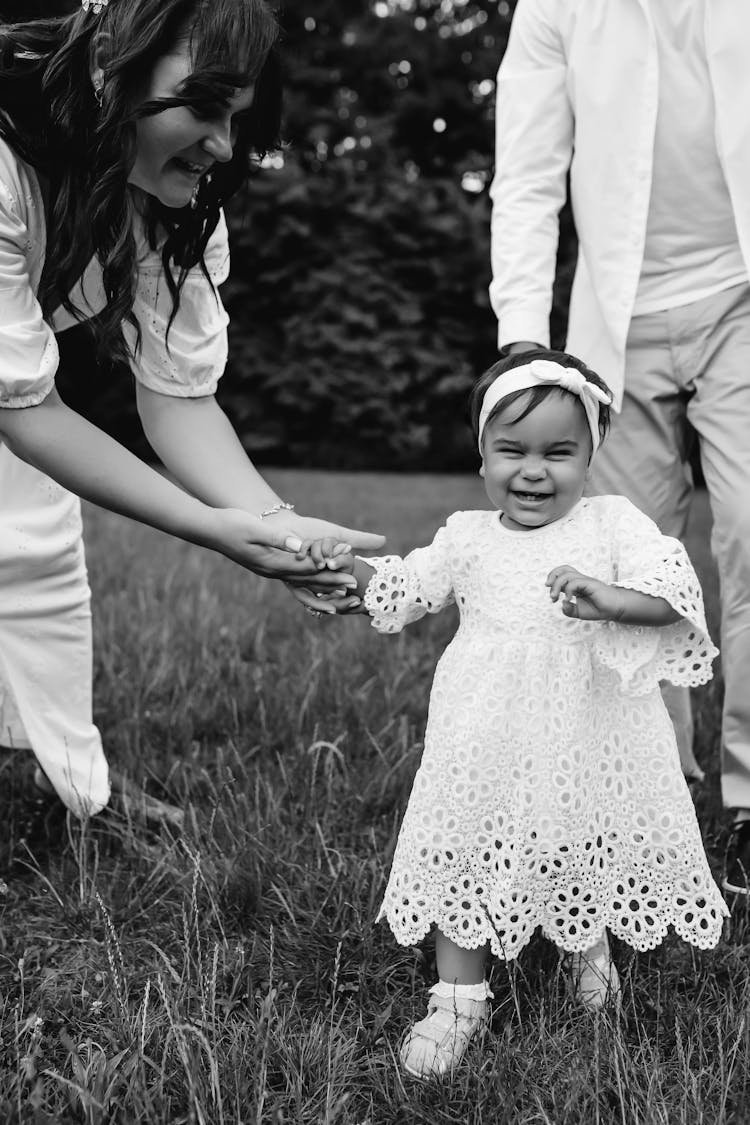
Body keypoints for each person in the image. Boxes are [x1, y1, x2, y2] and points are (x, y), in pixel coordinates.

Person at [0, 0, 374, 819]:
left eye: (236, 119)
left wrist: (281, 528)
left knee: (37, 550)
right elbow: (25, 410)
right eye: (205, 109)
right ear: (113, 59)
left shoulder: (175, 201)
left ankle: (57, 774)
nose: (223, 146)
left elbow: (179, 400)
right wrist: (211, 530)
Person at [311, 351, 727, 1079]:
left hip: (581, 730)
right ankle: (458, 999)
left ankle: (585, 941)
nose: (535, 469)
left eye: (559, 452)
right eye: (513, 450)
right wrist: (342, 566)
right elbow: (404, 584)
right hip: (482, 732)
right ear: (482, 455)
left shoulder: (610, 523)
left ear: (590, 456)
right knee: (462, 848)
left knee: (576, 830)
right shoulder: (468, 534)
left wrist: (611, 597)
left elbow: (671, 585)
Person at [489, 0, 750, 896]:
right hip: (616, 319)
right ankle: (656, 800)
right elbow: (527, 176)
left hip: (742, 297)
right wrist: (524, 343)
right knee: (630, 564)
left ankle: (748, 800)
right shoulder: (555, 10)